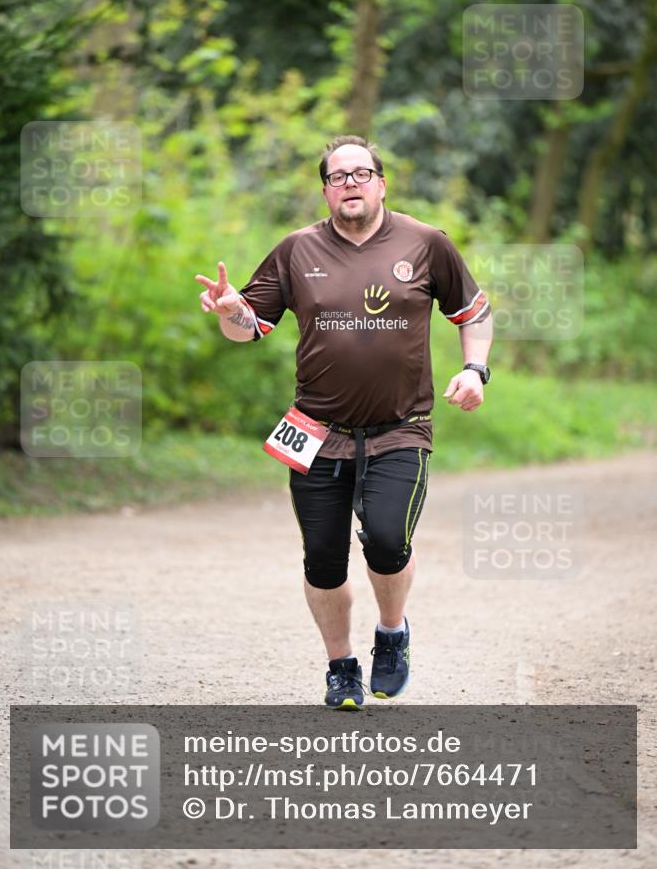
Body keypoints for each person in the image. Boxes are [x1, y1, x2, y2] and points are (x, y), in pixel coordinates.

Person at [195, 135, 492, 710]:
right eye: (338, 176)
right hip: (314, 430)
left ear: (382, 182)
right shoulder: (296, 250)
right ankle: (341, 667)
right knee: (323, 557)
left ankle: (391, 632)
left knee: (386, 539)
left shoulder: (426, 244)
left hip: (400, 428)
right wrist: (232, 310)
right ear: (327, 189)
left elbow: (473, 313)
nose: (350, 183)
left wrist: (476, 368)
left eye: (361, 173)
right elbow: (250, 328)